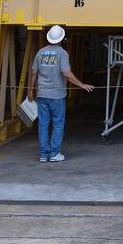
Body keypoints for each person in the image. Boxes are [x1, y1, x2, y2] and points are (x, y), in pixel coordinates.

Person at [28, 24, 94, 163]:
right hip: (57, 96)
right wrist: (81, 84)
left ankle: (43, 154)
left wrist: (30, 91)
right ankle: (54, 154)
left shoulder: (40, 52)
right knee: (58, 124)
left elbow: (33, 72)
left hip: (42, 94)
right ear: (61, 38)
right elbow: (66, 73)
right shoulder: (62, 53)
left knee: (43, 124)